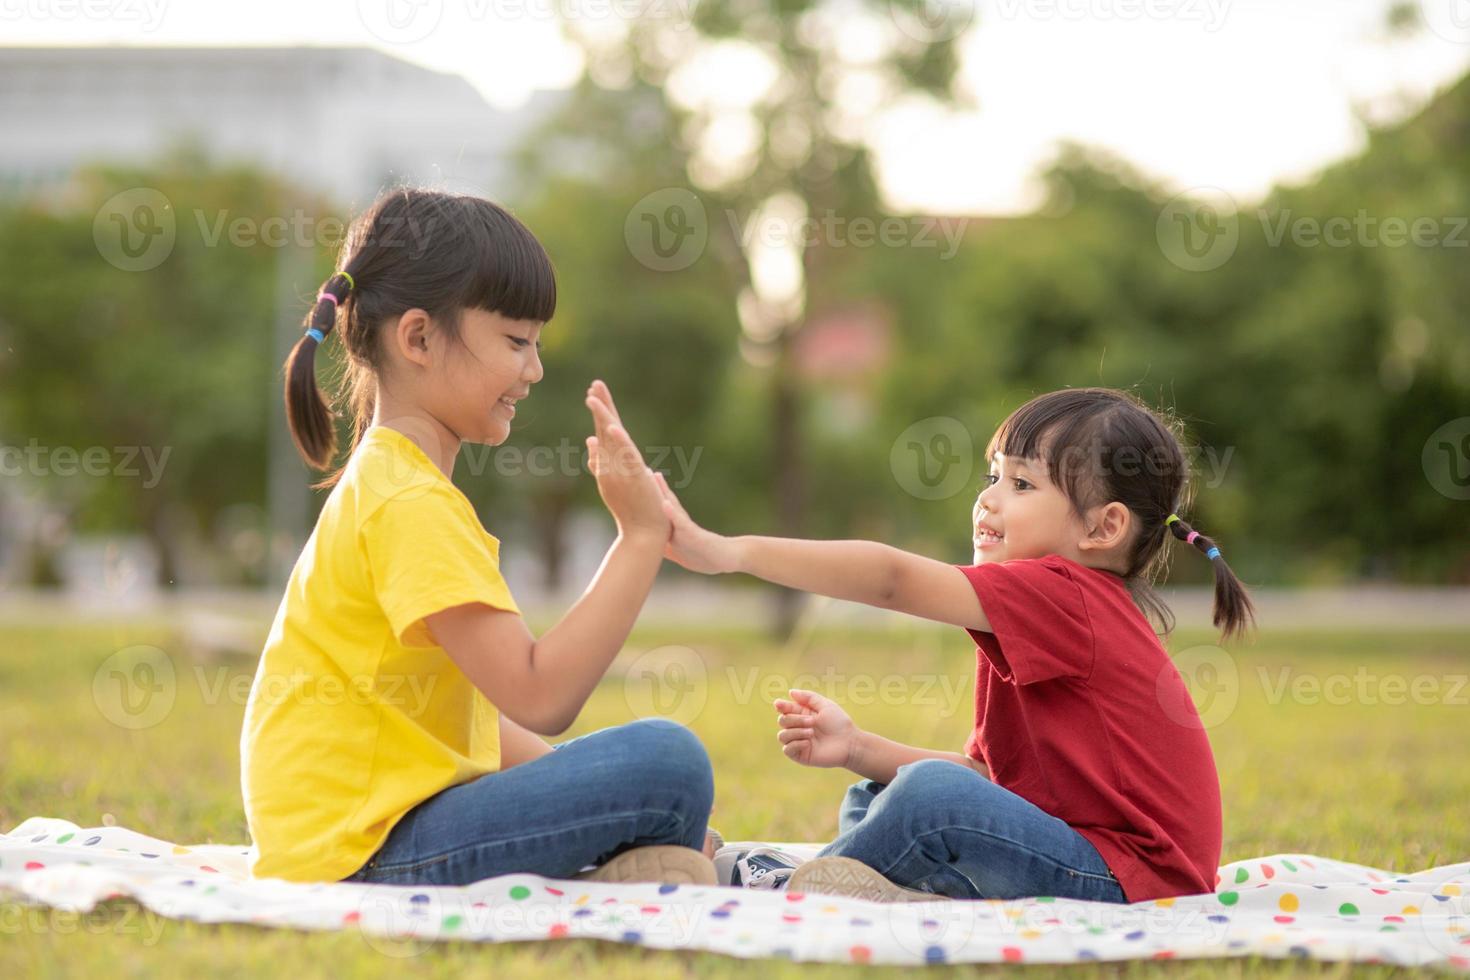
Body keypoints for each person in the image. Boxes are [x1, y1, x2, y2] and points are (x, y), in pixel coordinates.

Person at [241, 188, 715, 888]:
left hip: (348, 837)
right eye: (516, 342)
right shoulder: (408, 502)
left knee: (645, 776)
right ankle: (620, 855)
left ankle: (630, 858)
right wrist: (639, 538)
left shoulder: (393, 483)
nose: (535, 369)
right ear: (419, 338)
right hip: (364, 851)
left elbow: (474, 728)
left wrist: (595, 788)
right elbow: (540, 692)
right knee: (670, 761)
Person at [651, 387, 1254, 903]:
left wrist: (729, 552)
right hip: (1078, 851)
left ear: (1103, 528)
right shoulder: (1041, 611)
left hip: (1134, 880)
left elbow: (891, 580)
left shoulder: (1066, 592)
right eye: (992, 476)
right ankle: (878, 883)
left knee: (929, 796)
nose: (988, 498)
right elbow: (989, 777)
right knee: (880, 789)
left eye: (1021, 483)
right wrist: (857, 745)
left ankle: (782, 887)